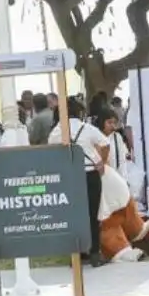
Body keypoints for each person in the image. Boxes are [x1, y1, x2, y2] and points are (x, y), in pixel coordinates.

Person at [63, 102, 113, 267]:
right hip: (91, 173)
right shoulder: (87, 128)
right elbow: (106, 144)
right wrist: (102, 163)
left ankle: (76, 254)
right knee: (93, 214)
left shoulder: (59, 130)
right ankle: (94, 253)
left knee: (74, 215)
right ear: (81, 113)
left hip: (70, 175)